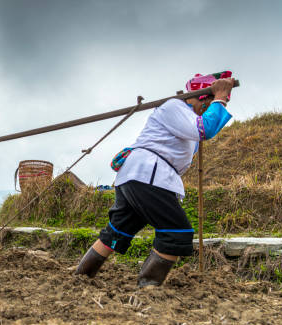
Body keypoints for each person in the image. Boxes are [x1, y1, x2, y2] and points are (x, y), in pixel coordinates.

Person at [75, 71, 236, 287]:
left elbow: (198, 132)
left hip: (139, 176)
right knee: (176, 232)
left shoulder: (185, 116)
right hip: (148, 174)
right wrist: (221, 98)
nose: (204, 111)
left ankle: (82, 276)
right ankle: (148, 287)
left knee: (118, 230)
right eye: (206, 104)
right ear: (203, 97)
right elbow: (205, 129)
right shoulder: (175, 106)